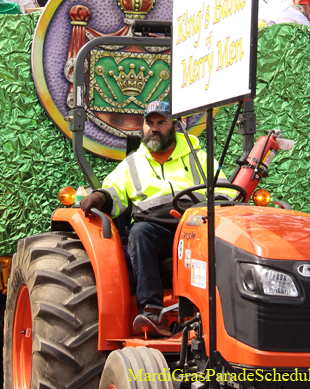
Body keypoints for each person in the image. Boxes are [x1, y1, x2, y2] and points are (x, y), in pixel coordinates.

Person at [77, 100, 230, 336]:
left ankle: (223, 313)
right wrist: (100, 196)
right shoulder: (132, 163)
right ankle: (152, 311)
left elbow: (224, 191)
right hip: (157, 230)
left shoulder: (198, 157)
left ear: (175, 126)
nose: (154, 128)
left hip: (195, 224)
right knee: (140, 232)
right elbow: (115, 191)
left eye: (161, 122)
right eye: (149, 123)